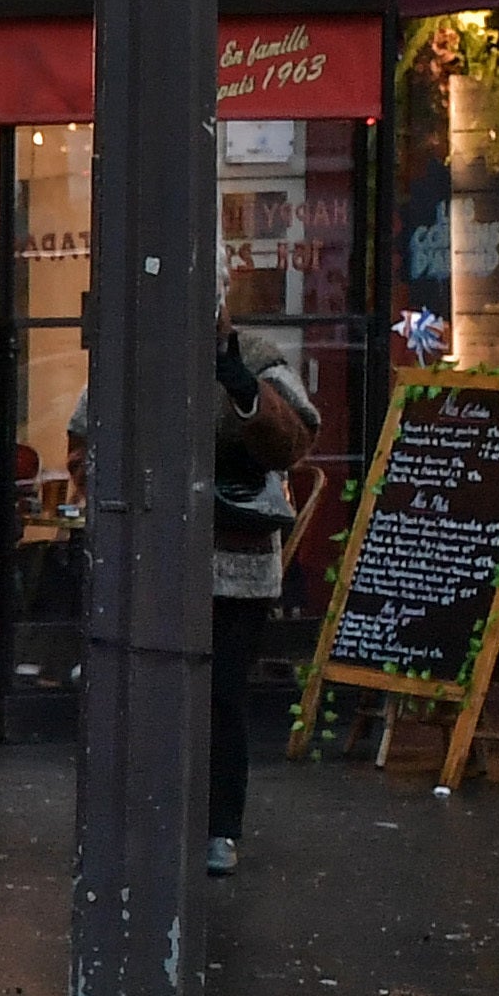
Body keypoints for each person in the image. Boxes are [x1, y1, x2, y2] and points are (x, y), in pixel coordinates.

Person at [209, 321, 314, 877]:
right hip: (151, 559)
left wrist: (246, 391)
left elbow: (295, 442)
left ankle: (220, 827)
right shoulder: (136, 350)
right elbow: (86, 441)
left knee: (222, 693)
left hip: (236, 560)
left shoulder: (255, 356)